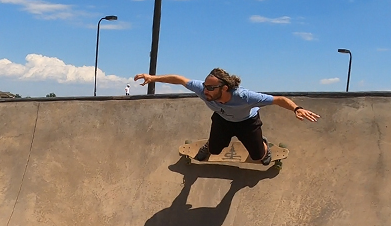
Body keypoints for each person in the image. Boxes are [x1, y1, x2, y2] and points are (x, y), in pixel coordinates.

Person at [133, 68, 320, 164]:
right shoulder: (202, 89)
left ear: (224, 88)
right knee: (214, 151)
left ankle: (262, 143)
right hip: (222, 121)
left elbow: (278, 99)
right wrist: (153, 78)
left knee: (259, 157)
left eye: (211, 88)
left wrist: (297, 109)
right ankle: (210, 143)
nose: (205, 91)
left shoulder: (245, 97)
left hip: (247, 123)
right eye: (205, 86)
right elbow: (180, 80)